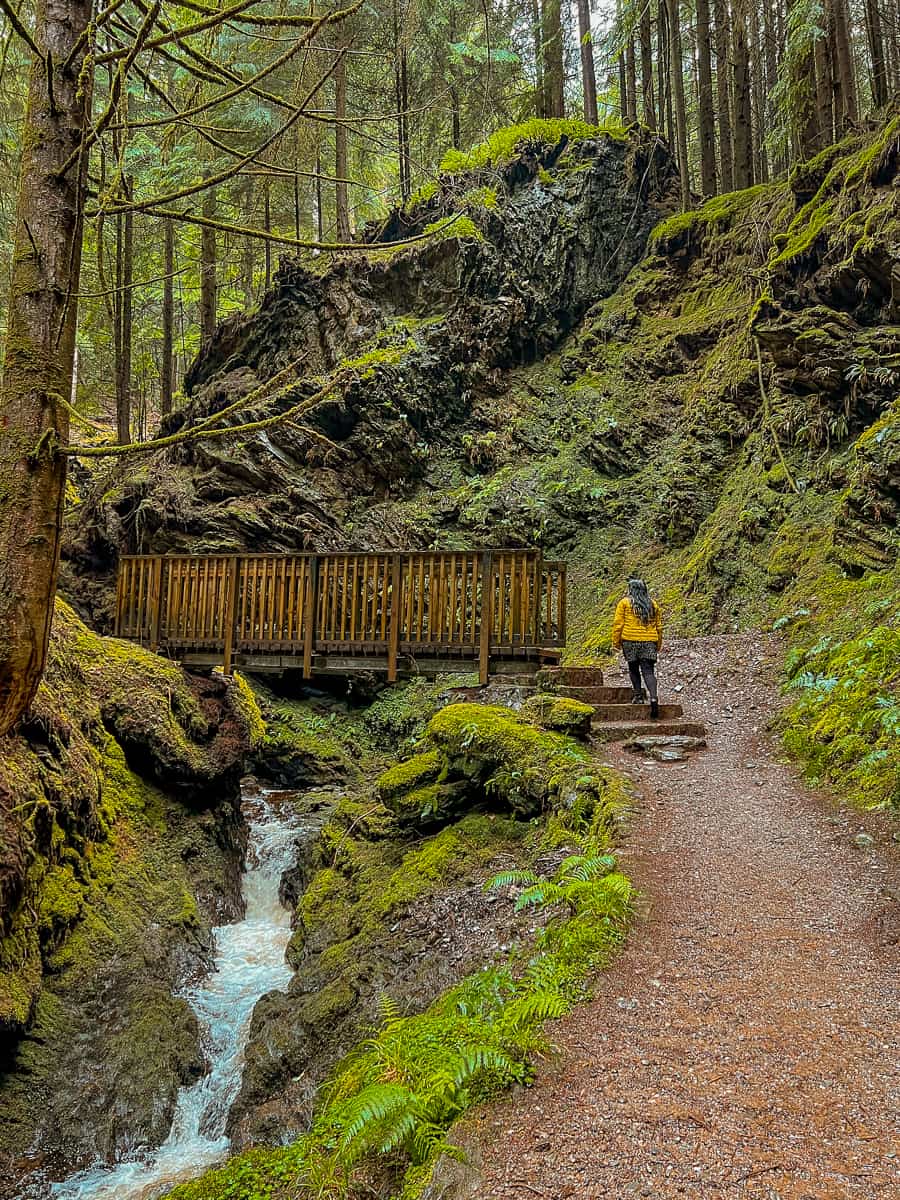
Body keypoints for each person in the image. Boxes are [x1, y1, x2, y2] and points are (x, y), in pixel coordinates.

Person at [611, 578, 663, 718]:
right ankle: (653, 697)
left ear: (631, 589)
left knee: (633, 669)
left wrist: (616, 642)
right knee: (648, 671)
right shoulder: (653, 605)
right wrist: (658, 644)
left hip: (630, 640)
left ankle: (638, 696)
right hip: (649, 641)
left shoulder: (625, 603)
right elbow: (659, 627)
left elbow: (618, 624)